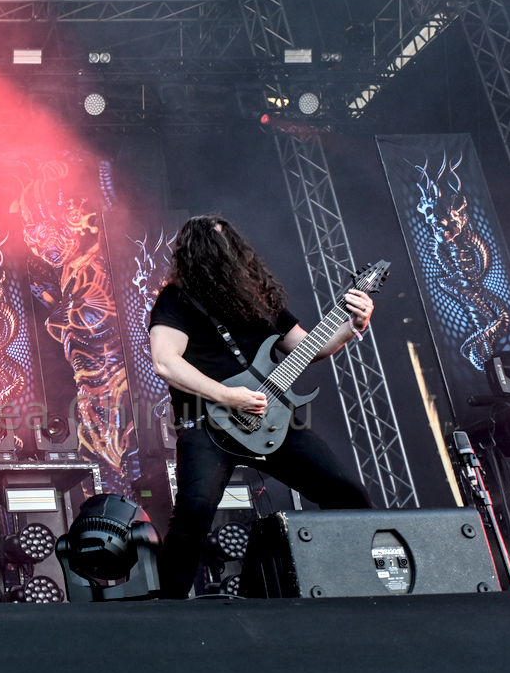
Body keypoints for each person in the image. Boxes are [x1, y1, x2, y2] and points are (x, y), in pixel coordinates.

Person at [148, 214, 373, 599]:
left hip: (271, 418)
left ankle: (360, 586)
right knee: (195, 510)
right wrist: (226, 395)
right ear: (197, 255)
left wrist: (353, 325)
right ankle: (169, 608)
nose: (228, 253)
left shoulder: (259, 297)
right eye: (217, 246)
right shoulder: (177, 298)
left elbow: (311, 348)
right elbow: (165, 361)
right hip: (207, 423)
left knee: (347, 493)